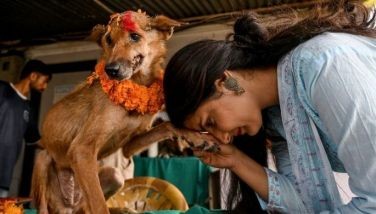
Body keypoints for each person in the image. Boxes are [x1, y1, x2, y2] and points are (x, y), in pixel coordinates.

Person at [163, 0, 376, 212]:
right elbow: (304, 205)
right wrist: (236, 160)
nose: (223, 138)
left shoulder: (324, 67)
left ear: (226, 83)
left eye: (210, 122)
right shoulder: (279, 117)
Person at [0, 59, 51, 197]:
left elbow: (34, 139)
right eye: (44, 81)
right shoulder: (2, 89)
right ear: (33, 76)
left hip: (4, 175)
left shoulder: (28, 108)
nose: (45, 87)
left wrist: (60, 148)